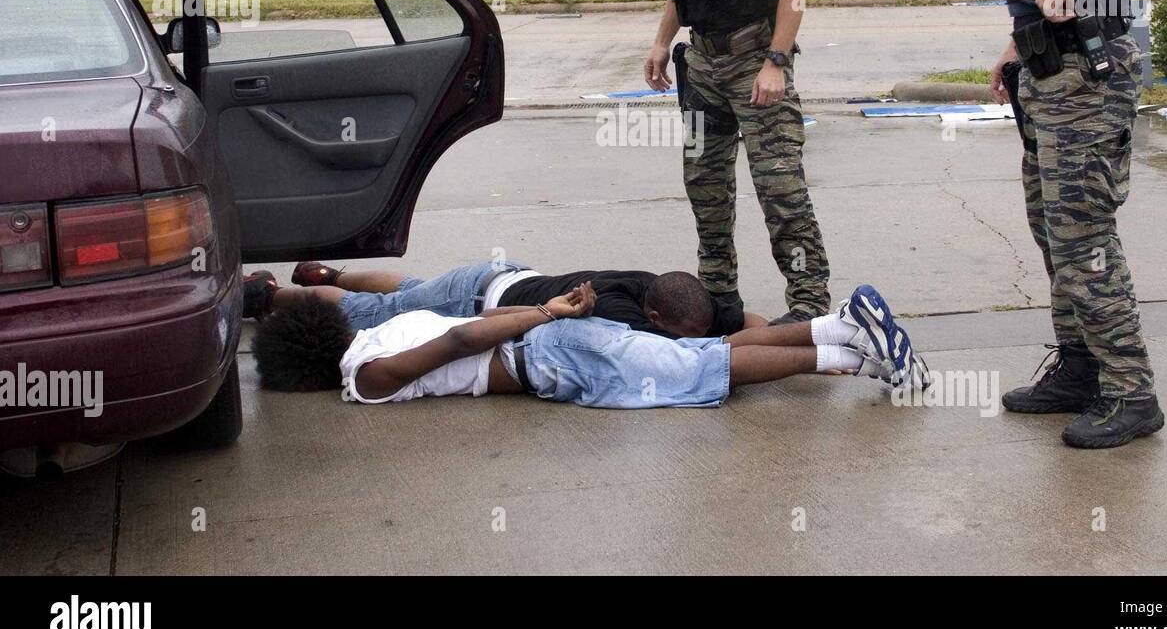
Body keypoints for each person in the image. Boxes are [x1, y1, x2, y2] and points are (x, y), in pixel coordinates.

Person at [968, 0, 1167, 448]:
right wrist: (1014, 48)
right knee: (1053, 226)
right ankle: (1081, 367)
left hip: (1089, 79)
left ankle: (1131, 389)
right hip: (1048, 76)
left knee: (1083, 231)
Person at [644, 0, 830, 325]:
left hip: (754, 64)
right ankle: (720, 299)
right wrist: (662, 41)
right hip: (701, 65)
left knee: (781, 190)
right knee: (705, 187)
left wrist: (778, 60)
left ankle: (809, 304)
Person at [251, 279, 929, 408]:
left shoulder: (366, 378)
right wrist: (542, 314)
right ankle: (856, 348)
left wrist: (543, 313)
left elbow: (462, 337)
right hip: (545, 345)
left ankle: (844, 336)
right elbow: (450, 322)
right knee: (698, 362)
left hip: (543, 356)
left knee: (701, 365)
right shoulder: (372, 331)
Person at [242, 260, 768, 339]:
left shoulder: (674, 292)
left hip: (503, 273)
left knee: (407, 292)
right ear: (654, 318)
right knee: (372, 315)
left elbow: (745, 320)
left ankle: (331, 271)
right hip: (472, 297)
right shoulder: (616, 312)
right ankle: (271, 295)